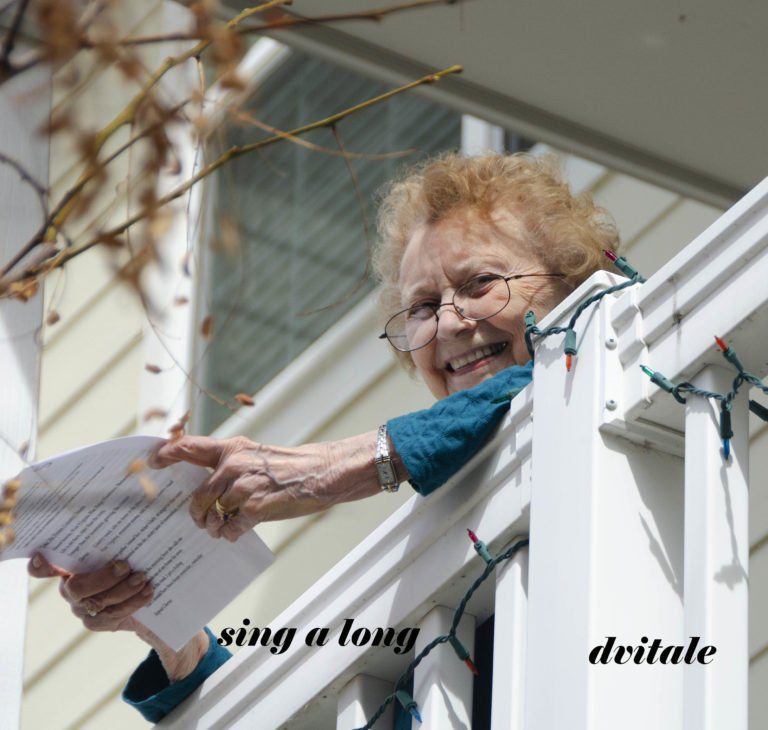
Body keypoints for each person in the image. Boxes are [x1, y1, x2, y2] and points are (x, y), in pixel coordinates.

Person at [28, 151, 619, 721]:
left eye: (480, 283)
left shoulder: (612, 334)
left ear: (571, 283)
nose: (447, 323)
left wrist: (342, 464)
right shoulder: (429, 527)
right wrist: (172, 637)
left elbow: (551, 361)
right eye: (421, 306)